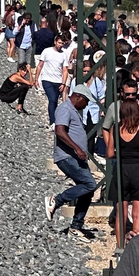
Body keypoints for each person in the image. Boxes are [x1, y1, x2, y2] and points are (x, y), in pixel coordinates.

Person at [46, 84, 98, 239]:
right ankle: (56, 201)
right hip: (67, 156)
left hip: (75, 157)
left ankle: (76, 226)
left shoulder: (73, 110)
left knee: (88, 191)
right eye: (86, 101)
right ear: (78, 97)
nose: (86, 105)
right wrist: (77, 149)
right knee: (89, 184)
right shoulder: (65, 109)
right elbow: (60, 130)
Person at [107, 99, 139, 245]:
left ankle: (120, 246)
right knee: (138, 213)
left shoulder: (115, 128)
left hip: (122, 169)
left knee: (121, 213)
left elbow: (109, 153)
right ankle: (136, 246)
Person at [36, 32, 71, 124]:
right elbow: (40, 66)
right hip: (47, 79)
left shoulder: (64, 54)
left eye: (62, 43)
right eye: (59, 43)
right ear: (55, 42)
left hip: (58, 80)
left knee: (55, 100)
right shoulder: (46, 51)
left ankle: (55, 119)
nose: (60, 45)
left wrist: (63, 83)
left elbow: (65, 70)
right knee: (52, 99)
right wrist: (36, 79)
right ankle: (52, 122)